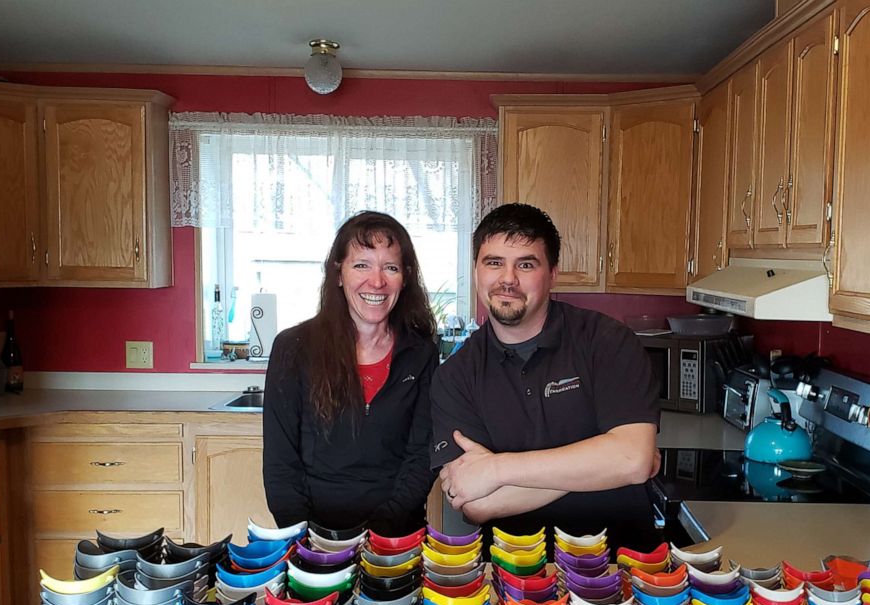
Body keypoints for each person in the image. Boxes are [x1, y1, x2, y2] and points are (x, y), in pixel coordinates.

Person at [430, 203, 662, 551]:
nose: (508, 279)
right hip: (517, 572)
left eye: (526, 264)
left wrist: (497, 469)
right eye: (494, 262)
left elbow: (632, 460)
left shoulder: (607, 341)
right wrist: (606, 460)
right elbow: (476, 503)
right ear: (476, 270)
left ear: (553, 273)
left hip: (624, 564)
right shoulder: (455, 376)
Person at [263, 211, 438, 535]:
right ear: (338, 273)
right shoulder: (293, 348)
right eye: (362, 265)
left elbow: (420, 457)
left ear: (405, 277)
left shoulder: (422, 353)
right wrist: (310, 541)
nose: (377, 281)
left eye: (391, 267)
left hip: (397, 538)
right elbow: (280, 465)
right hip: (311, 540)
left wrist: (381, 532)